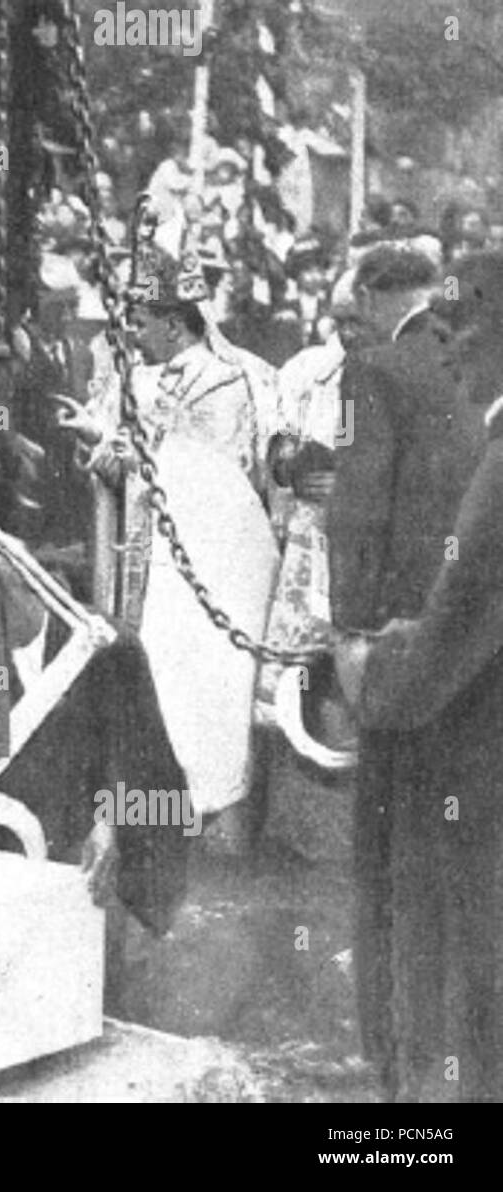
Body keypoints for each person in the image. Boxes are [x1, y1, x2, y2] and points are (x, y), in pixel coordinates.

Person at [327, 252, 500, 1101]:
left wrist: (351, 637)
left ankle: (409, 1073)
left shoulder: (368, 374)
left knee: (410, 885)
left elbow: (353, 510)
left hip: (426, 664)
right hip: (465, 654)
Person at [57, 243, 277, 842]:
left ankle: (205, 812)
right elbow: (116, 465)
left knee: (198, 683)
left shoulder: (232, 380)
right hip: (136, 555)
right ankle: (146, 808)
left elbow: (223, 475)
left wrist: (132, 455)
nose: (129, 333)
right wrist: (96, 441)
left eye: (139, 322)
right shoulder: (131, 379)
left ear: (175, 324)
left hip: (205, 564)